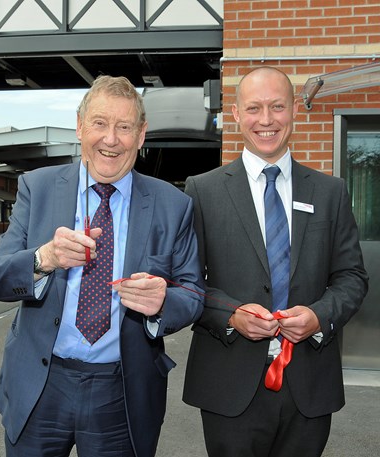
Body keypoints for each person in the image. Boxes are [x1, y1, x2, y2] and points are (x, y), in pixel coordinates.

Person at [0, 75, 204, 457]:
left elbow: (193, 291)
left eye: (124, 127)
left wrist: (163, 302)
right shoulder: (38, 187)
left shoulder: (173, 204)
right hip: (40, 383)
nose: (111, 139)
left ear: (142, 133)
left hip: (121, 391)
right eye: (100, 123)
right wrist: (43, 259)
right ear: (80, 126)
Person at [182, 66, 369, 457]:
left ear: (295, 111)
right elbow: (185, 282)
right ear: (235, 114)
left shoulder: (331, 192)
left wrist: (319, 316)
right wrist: (231, 314)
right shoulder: (203, 190)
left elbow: (352, 277)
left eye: (277, 107)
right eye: (253, 108)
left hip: (309, 388)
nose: (265, 120)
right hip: (228, 386)